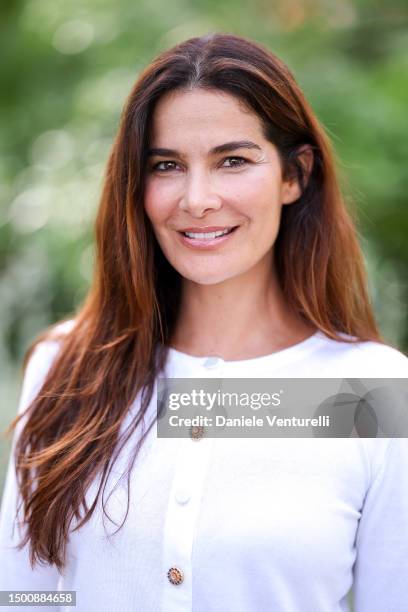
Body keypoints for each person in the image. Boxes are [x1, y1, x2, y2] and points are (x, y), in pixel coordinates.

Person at [0, 32, 407, 612]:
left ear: (295, 175)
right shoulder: (66, 365)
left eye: (233, 161)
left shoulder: (372, 390)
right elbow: (22, 595)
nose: (197, 199)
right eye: (167, 165)